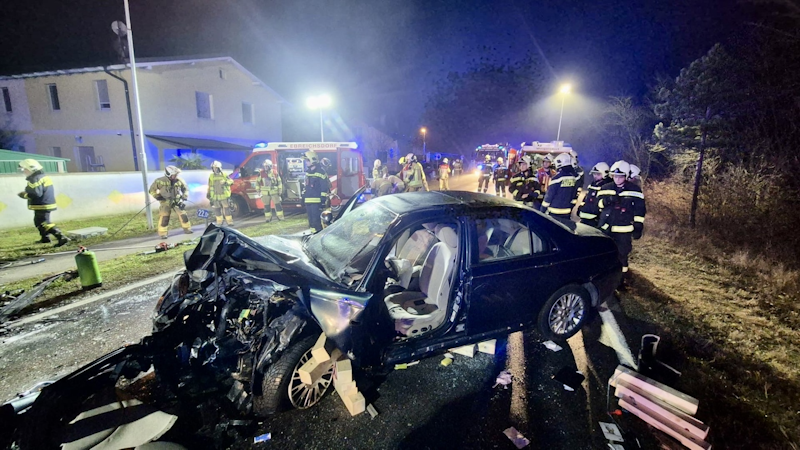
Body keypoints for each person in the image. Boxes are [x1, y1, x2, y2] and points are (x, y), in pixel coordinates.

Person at [597, 160, 647, 283]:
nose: (617, 179)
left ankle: (621, 280)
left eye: (620, 176)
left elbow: (640, 210)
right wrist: (607, 200)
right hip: (606, 228)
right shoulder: (605, 188)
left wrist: (638, 226)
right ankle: (605, 278)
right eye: (615, 176)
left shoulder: (635, 190)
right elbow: (598, 206)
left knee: (622, 255)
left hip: (624, 231)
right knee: (604, 253)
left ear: (626, 176)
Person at [17, 159, 70, 247]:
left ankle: (62, 238)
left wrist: (24, 195)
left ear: (31, 169)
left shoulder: (35, 179)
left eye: (24, 169)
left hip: (41, 205)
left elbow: (36, 193)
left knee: (44, 223)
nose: (24, 172)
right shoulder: (43, 177)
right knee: (38, 222)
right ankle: (45, 238)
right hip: (45, 204)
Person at [149, 165, 192, 239]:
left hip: (177, 202)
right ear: (168, 174)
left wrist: (185, 196)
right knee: (164, 218)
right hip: (165, 202)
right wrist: (157, 196)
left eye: (176, 174)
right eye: (174, 175)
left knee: (183, 216)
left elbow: (186, 189)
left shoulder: (179, 180)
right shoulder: (159, 181)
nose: (176, 176)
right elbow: (151, 190)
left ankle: (187, 229)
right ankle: (163, 233)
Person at [541, 153, 579, 223]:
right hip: (567, 212)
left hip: (554, 212)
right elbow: (574, 195)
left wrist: (542, 210)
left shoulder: (556, 179)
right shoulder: (573, 178)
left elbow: (549, 196)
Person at [302, 150, 330, 232]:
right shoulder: (308, 173)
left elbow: (324, 187)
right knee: (311, 221)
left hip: (316, 201)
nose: (306, 162)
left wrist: (322, 199)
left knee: (316, 220)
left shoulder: (321, 172)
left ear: (312, 160)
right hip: (308, 200)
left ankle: (318, 234)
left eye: (307, 160)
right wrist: (303, 196)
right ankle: (312, 234)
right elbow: (306, 186)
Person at [577, 162, 610, 227]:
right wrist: (580, 208)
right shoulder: (593, 184)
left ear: (605, 174)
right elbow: (586, 198)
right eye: (594, 174)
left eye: (598, 174)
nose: (595, 176)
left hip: (594, 221)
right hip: (584, 218)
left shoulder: (606, 187)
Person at [206, 161, 234, 227]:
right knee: (217, 210)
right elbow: (209, 186)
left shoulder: (224, 175)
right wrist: (208, 194)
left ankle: (229, 222)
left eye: (216, 168)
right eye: (213, 168)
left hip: (224, 196)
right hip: (215, 196)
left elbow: (231, 181)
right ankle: (219, 222)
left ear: (219, 168)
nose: (214, 169)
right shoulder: (211, 176)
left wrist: (225, 182)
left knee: (226, 209)